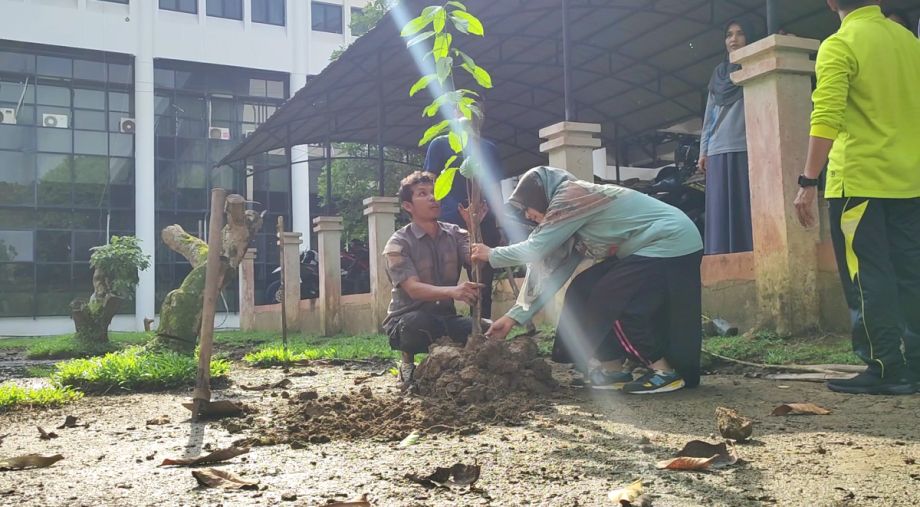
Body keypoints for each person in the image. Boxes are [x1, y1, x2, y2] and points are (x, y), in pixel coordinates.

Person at [471, 166, 704, 394]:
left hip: (670, 241)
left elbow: (536, 249)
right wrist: (513, 317)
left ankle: (663, 372)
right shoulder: (569, 221)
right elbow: (551, 273)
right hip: (644, 248)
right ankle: (613, 369)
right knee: (584, 288)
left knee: (611, 296)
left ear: (539, 194)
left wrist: (491, 255)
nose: (526, 215)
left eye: (526, 206)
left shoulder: (571, 196)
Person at [793, 0, 920, 395]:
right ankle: (915, 364)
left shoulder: (840, 43)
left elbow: (826, 116)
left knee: (866, 275)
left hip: (860, 183)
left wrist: (807, 180)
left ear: (832, 2)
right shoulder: (909, 41)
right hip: (911, 180)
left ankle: (885, 366)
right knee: (911, 273)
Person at [382, 171, 484, 386]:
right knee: (416, 323)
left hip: (446, 319)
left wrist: (475, 229)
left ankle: (454, 365)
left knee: (486, 328)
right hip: (406, 319)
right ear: (408, 206)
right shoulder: (398, 243)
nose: (432, 198)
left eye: (435, 192)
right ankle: (407, 364)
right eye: (423, 194)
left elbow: (477, 264)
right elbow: (413, 289)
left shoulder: (456, 233)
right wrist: (453, 291)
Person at [424, 108, 503, 319]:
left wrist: (497, 222)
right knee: (443, 279)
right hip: (449, 222)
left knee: (482, 280)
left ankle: (482, 328)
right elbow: (430, 183)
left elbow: (494, 187)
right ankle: (444, 328)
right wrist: (431, 218)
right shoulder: (440, 144)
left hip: (484, 220)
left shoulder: (489, 149)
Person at [699, 19, 756, 255]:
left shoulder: (754, 67)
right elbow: (709, 115)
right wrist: (703, 150)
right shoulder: (719, 74)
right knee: (720, 211)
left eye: (740, 34)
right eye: (729, 34)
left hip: (744, 147)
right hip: (717, 148)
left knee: (743, 207)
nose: (734, 39)